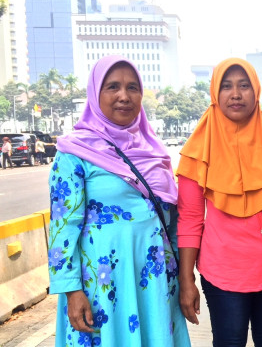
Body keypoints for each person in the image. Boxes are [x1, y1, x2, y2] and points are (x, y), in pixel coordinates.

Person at [49, 55, 190, 346]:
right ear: (95, 93)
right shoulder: (74, 152)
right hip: (102, 283)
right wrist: (72, 291)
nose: (124, 96)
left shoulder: (154, 152)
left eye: (132, 87)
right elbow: (63, 227)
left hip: (156, 280)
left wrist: (186, 280)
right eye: (112, 86)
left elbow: (172, 223)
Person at [177, 58, 262, 347]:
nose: (236, 94)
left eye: (244, 86)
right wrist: (186, 280)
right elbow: (190, 219)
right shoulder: (198, 147)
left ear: (257, 91)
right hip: (221, 274)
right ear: (215, 93)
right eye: (226, 86)